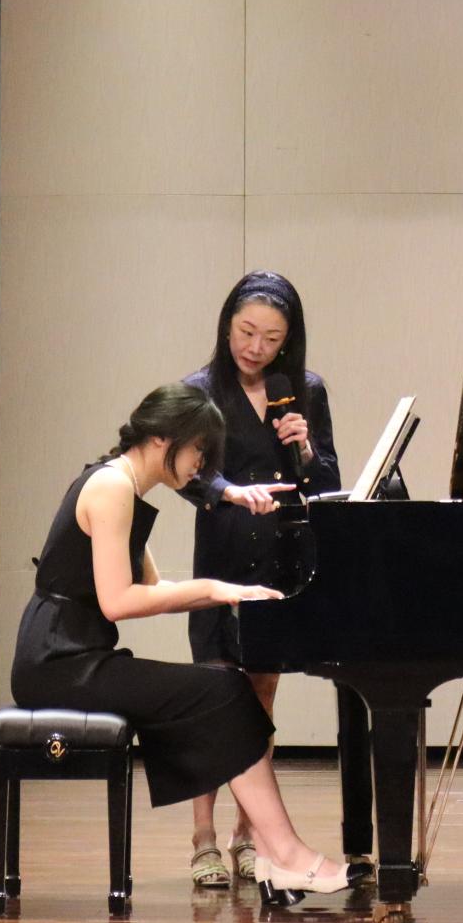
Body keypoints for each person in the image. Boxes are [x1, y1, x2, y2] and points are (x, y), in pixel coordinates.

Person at [9, 382, 353, 901]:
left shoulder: (125, 486)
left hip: (75, 654)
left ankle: (277, 852)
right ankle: (284, 854)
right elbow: (119, 602)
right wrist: (214, 588)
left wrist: (230, 593)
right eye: (198, 450)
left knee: (227, 688)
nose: (201, 466)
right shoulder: (111, 487)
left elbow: (151, 587)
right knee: (222, 690)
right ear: (161, 439)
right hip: (56, 662)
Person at [179, 271, 342, 889]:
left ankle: (249, 836)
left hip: (277, 561)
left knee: (262, 699)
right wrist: (229, 490)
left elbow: (327, 483)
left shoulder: (304, 391)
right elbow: (185, 472)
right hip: (223, 557)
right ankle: (202, 837)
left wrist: (306, 449)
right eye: (247, 332)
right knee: (213, 698)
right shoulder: (200, 392)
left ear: (287, 341)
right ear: (227, 325)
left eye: (271, 339)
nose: (255, 347)